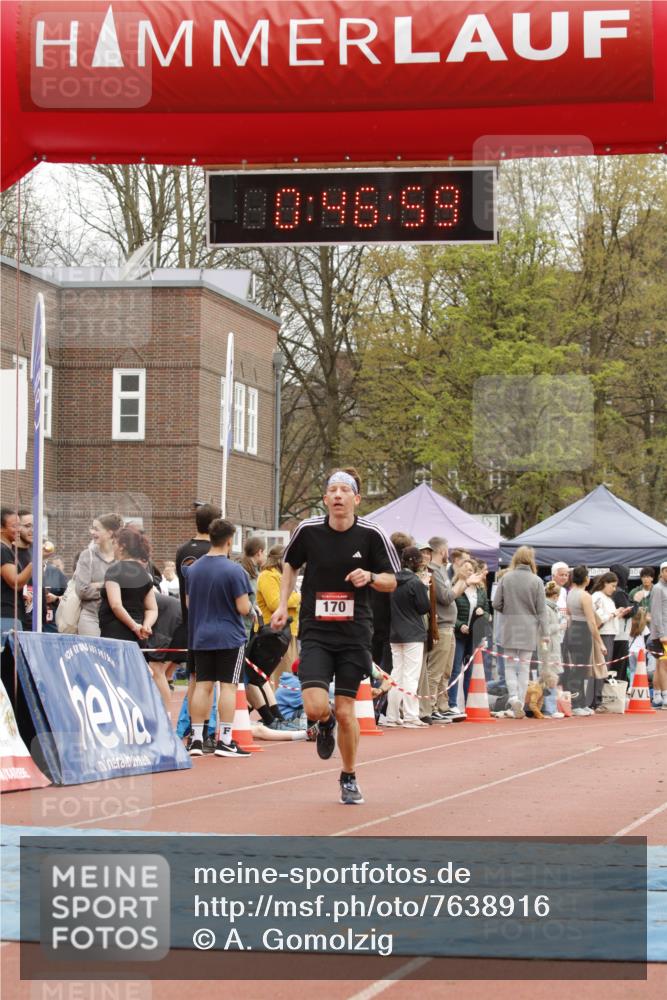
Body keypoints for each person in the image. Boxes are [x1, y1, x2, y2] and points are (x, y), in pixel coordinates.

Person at [270, 467, 399, 805]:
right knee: (314, 707)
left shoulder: (372, 534)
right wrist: (283, 605)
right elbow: (289, 565)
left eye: (345, 490)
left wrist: (370, 576)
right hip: (316, 630)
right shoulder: (308, 530)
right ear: (326, 499)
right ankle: (322, 724)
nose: (338, 495)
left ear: (356, 499)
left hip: (355, 633)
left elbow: (392, 580)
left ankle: (349, 775)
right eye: (333, 491)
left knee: (346, 711)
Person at [184, 518, 252, 758]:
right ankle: (224, 740)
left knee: (202, 686)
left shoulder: (193, 570)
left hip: (201, 635)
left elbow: (189, 603)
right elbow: (243, 608)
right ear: (230, 540)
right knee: (228, 687)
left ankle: (197, 739)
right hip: (229, 636)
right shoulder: (235, 570)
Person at [175, 502, 221, 749]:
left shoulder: (182, 550)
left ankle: (195, 732)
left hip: (190, 622)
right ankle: (205, 731)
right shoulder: (213, 553)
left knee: (194, 680)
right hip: (211, 622)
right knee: (208, 682)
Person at [492, 546, 548, 719]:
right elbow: (541, 610)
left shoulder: (506, 578)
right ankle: (521, 703)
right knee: (524, 666)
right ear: (531, 559)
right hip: (529, 627)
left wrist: (507, 609)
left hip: (509, 625)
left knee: (509, 666)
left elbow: (495, 603)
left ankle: (514, 697)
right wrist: (545, 632)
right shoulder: (536, 580)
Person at [384, 546, 431, 728]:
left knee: (397, 674)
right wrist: (425, 587)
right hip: (413, 633)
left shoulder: (393, 581)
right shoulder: (416, 583)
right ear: (416, 562)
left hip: (395, 632)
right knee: (411, 675)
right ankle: (411, 716)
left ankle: (392, 715)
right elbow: (423, 607)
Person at [426, 536, 467, 723]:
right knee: (436, 670)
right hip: (441, 626)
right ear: (442, 551)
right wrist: (463, 582)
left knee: (446, 671)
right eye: (447, 549)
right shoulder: (433, 571)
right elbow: (446, 597)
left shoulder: (442, 570)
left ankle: (442, 706)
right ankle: (431, 707)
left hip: (448, 625)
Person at [99, 526, 158, 647]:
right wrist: (146, 625)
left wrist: (134, 627)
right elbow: (152, 609)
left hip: (115, 635)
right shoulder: (145, 574)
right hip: (138, 636)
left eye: (114, 543)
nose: (113, 547)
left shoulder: (114, 571)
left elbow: (116, 605)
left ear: (122, 546)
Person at [565, 565, 607, 716]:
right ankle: (577, 704)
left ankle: (580, 702)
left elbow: (569, 614)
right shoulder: (585, 596)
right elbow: (591, 622)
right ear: (585, 579)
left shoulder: (570, 593)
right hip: (582, 631)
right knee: (580, 669)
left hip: (572, 629)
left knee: (576, 668)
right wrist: (600, 642)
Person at [256, 544, 299, 686]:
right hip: (274, 634)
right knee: (282, 677)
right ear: (280, 559)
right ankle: (277, 706)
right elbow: (275, 603)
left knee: (288, 675)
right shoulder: (268, 576)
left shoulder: (281, 576)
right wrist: (299, 597)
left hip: (287, 631)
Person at [74, 513, 123, 636]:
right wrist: (112, 588)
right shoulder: (87, 555)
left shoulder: (122, 557)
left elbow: (127, 589)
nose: (92, 532)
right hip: (91, 618)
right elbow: (81, 590)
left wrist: (99, 585)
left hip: (118, 618)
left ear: (110, 533)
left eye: (96, 529)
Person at [1, 507, 33, 641]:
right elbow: (15, 583)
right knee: (8, 661)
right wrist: (35, 563)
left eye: (19, 525)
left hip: (12, 616)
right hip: (6, 617)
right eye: (14, 526)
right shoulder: (3, 550)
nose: (19, 529)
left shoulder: (8, 550)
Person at [648, 560, 667, 708]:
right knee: (663, 665)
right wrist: (661, 634)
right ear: (661, 572)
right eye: (666, 570)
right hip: (661, 634)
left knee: (661, 665)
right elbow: (656, 613)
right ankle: (663, 696)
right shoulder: (658, 589)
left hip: (664, 632)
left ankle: (658, 696)